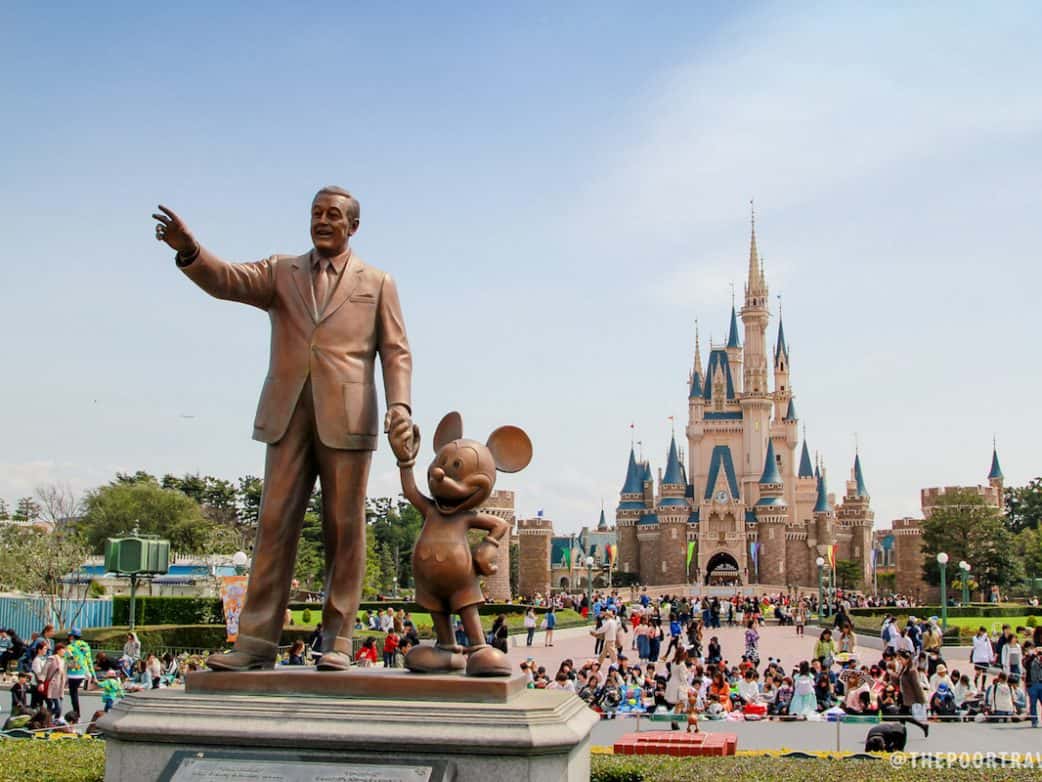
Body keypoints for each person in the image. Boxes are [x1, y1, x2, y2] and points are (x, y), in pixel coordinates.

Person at [154, 188, 413, 673]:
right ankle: (254, 641)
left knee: (345, 529)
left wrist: (400, 405)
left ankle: (338, 640)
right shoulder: (281, 271)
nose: (322, 221)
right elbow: (226, 279)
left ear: (353, 226)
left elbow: (396, 351)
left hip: (349, 415)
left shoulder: (378, 282)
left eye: (333, 215)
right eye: (316, 213)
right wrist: (190, 251)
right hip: (286, 412)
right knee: (273, 523)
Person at [64, 628, 94, 715]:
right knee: (75, 692)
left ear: (72, 636)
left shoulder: (69, 647)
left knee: (73, 694)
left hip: (73, 673)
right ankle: (77, 713)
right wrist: (93, 675)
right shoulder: (86, 646)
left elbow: (67, 661)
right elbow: (89, 660)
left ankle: (77, 713)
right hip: (83, 673)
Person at [42, 642, 68, 719]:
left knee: (59, 709)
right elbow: (44, 671)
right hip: (53, 685)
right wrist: (41, 682)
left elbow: (74, 665)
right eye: (63, 649)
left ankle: (51, 720)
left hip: (60, 686)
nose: (64, 651)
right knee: (58, 707)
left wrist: (71, 656)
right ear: (58, 650)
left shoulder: (64, 660)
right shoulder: (52, 658)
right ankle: (45, 717)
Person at [1022, 641, 1042, 728]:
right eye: (1029, 648)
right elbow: (1027, 665)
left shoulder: (1039, 657)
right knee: (1033, 704)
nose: (1031, 649)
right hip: (1032, 684)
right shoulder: (1025, 658)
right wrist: (1033, 655)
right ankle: (1034, 721)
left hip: (1040, 682)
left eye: (1032, 648)